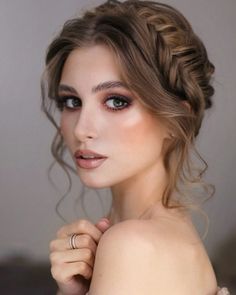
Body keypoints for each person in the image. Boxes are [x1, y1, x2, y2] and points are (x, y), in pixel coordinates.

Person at [41, 0, 230, 294]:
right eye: (72, 102)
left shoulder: (132, 246)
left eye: (117, 101)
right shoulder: (170, 237)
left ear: (178, 116)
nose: (81, 129)